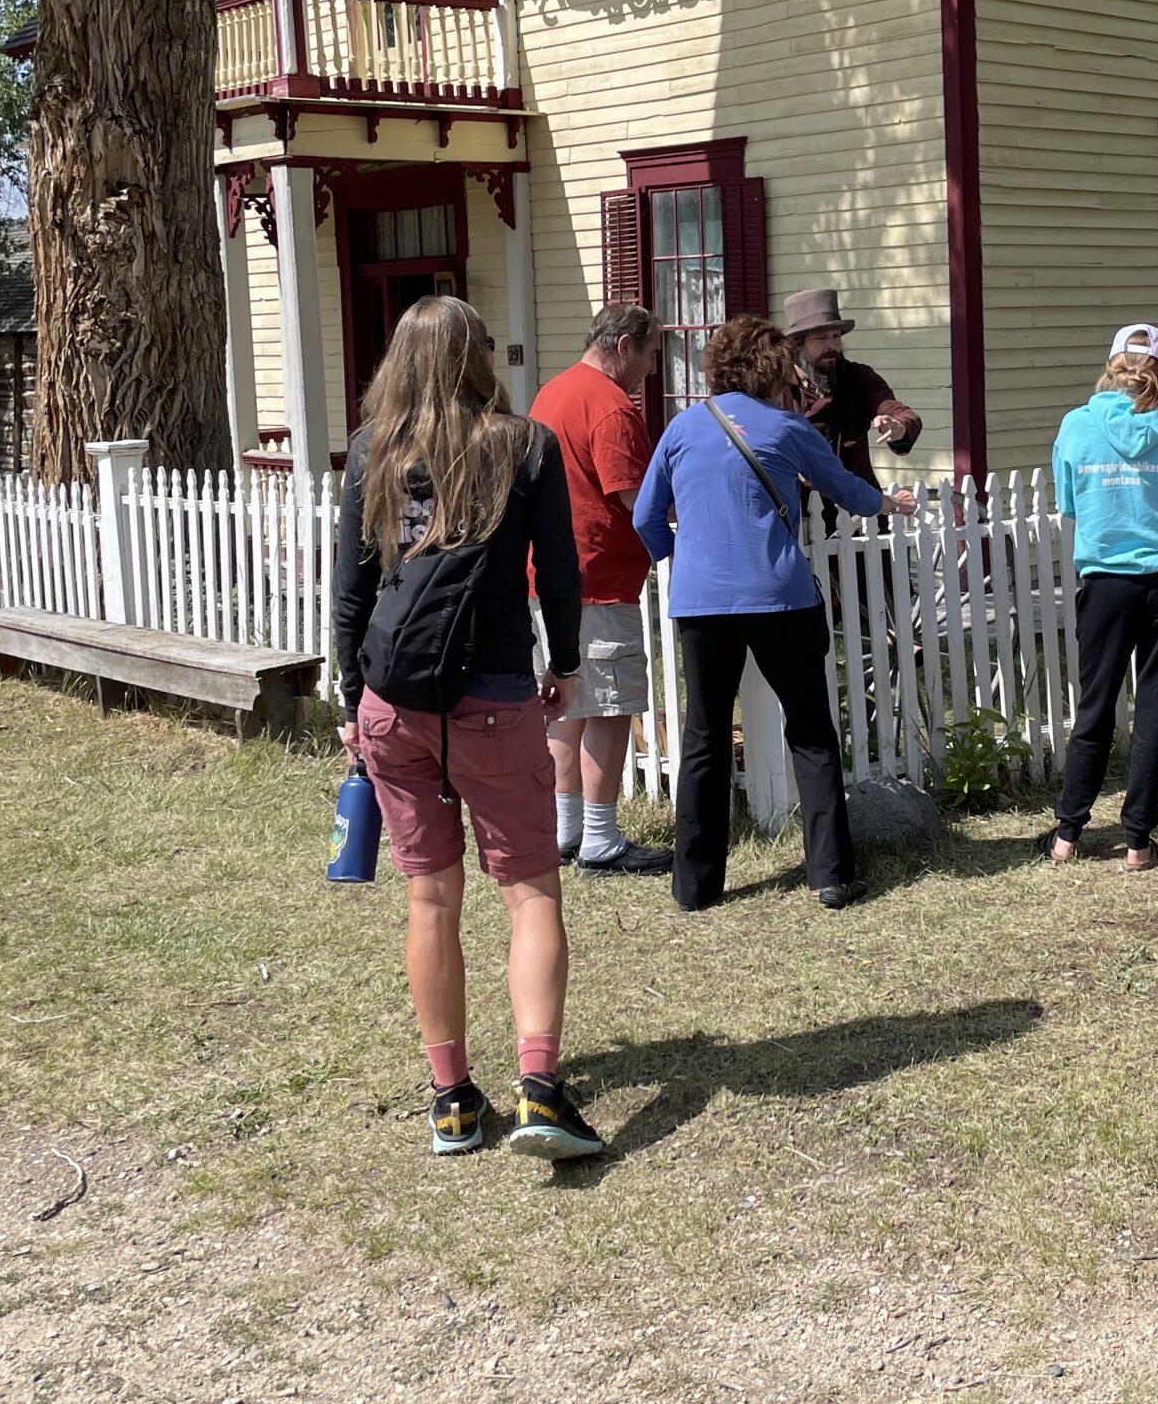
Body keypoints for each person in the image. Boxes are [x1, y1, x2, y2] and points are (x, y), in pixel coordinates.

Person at [332, 296, 604, 1163]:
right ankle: (538, 1089)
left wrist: (349, 701)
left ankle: (451, 1099)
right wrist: (563, 662)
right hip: (492, 693)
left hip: (393, 702)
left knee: (431, 897)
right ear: (478, 357)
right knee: (528, 892)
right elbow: (557, 573)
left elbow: (351, 589)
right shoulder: (523, 445)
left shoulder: (374, 448)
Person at [632, 314, 919, 912]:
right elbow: (845, 488)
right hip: (780, 595)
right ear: (772, 369)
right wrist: (890, 502)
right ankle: (831, 876)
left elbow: (645, 518)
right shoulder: (786, 428)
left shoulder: (682, 428)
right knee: (811, 730)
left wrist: (680, 561)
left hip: (702, 601)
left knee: (704, 736)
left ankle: (695, 886)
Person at [1042, 324, 1158, 869]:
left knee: (1094, 706)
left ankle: (1067, 834)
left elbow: (1068, 501)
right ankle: (1139, 841)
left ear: (1111, 365)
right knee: (1157, 712)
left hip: (1105, 583)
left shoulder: (1075, 424)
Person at [529, 303, 672, 876]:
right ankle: (601, 838)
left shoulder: (552, 392)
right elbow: (634, 499)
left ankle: (564, 830)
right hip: (599, 581)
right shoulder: (612, 406)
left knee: (564, 707)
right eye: (650, 353)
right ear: (623, 347)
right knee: (610, 709)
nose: (652, 367)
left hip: (547, 578)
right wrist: (677, 542)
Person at [788, 288, 922, 489]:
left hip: (858, 510)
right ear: (798, 345)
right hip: (796, 510)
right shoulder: (775, 387)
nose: (832, 345)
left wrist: (898, 426)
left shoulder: (859, 378)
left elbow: (901, 413)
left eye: (836, 336)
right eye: (821, 338)